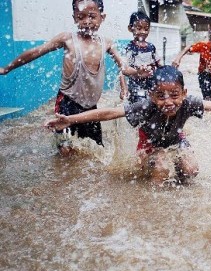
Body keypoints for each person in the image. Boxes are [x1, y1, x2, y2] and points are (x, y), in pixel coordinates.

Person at [44, 66, 211, 186]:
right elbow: (109, 113)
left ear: (184, 93)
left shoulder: (190, 103)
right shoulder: (145, 106)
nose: (168, 102)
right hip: (149, 144)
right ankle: (151, 207)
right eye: (161, 95)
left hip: (176, 139)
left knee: (191, 169)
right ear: (152, 95)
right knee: (160, 168)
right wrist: (70, 120)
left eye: (174, 95)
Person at [0, 0, 148, 156]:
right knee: (65, 149)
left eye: (92, 16)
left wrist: (139, 72)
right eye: (81, 16)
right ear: (74, 18)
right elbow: (36, 51)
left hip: (90, 108)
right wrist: (7, 68)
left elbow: (124, 67)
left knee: (94, 151)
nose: (87, 22)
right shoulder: (68, 39)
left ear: (102, 17)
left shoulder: (106, 43)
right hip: (67, 103)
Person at [172, 24, 211, 101]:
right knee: (207, 98)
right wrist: (178, 59)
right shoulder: (204, 46)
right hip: (204, 74)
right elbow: (189, 47)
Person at [119, 11, 161, 103]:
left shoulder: (151, 47)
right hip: (135, 84)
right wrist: (124, 88)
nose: (143, 32)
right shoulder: (130, 48)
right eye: (139, 28)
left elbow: (160, 65)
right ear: (130, 28)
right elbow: (123, 70)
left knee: (152, 104)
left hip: (151, 83)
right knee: (138, 105)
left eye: (146, 29)